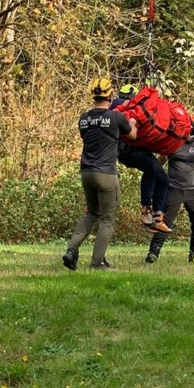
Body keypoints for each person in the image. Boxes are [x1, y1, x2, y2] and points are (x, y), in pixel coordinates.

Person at [62, 78, 137, 271]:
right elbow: (131, 136)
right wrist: (133, 123)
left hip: (86, 172)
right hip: (106, 174)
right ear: (110, 95)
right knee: (107, 219)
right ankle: (97, 263)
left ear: (93, 96)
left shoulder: (84, 118)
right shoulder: (115, 117)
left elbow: (86, 136)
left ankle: (71, 250)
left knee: (92, 213)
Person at [145, 121, 194, 263]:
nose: (191, 136)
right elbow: (159, 162)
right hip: (173, 188)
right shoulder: (173, 144)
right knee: (165, 222)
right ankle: (153, 253)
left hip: (193, 190)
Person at [110, 84, 172, 234]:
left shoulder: (123, 106)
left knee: (155, 174)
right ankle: (150, 214)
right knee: (160, 176)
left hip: (131, 151)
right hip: (129, 150)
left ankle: (154, 216)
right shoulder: (118, 104)